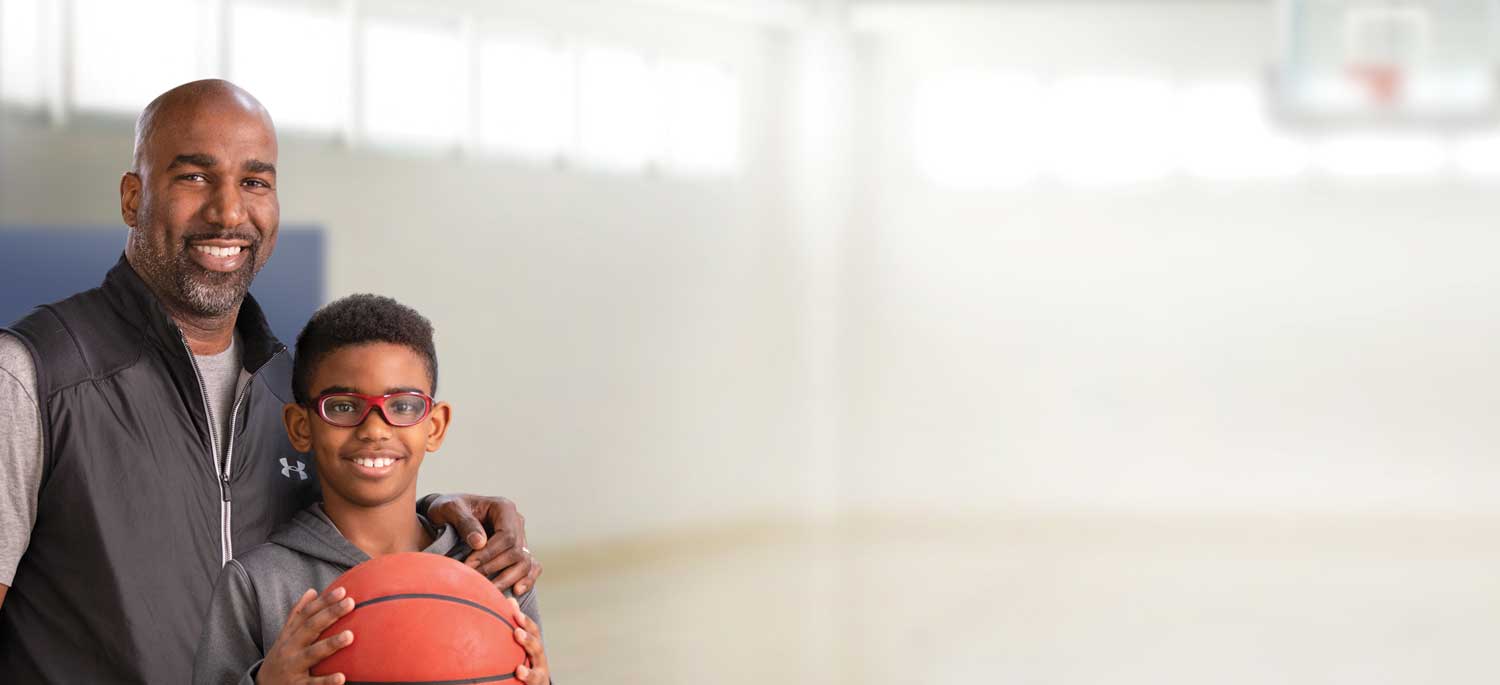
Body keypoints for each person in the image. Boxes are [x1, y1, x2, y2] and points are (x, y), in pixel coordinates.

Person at [0, 80, 541, 683]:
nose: (229, 212)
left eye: (255, 182)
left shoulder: (292, 391)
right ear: (133, 198)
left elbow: (347, 533)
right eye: (194, 177)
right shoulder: (32, 376)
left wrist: (444, 518)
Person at [193, 294, 550, 685]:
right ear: (300, 426)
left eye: (403, 405)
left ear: (435, 426)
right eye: (343, 406)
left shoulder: (493, 570)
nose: (375, 429)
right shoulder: (258, 583)